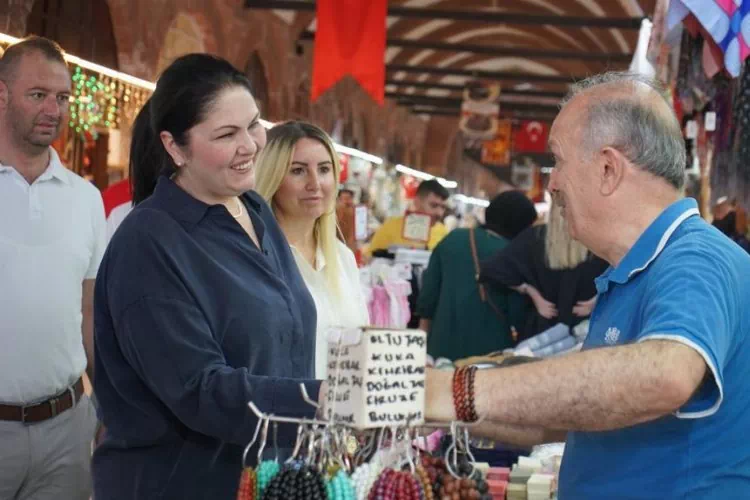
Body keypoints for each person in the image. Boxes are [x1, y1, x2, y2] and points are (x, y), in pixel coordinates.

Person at [425, 72, 750, 498]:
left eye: (558, 161)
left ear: (608, 169)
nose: (552, 183)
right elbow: (570, 415)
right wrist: (431, 404)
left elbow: (665, 375)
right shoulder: (633, 271)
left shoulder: (694, 259)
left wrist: (457, 392)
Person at [92, 55, 325, 499]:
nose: (250, 145)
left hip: (264, 478)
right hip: (180, 485)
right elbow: (200, 390)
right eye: (226, 134)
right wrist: (322, 402)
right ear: (175, 147)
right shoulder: (148, 243)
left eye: (253, 125)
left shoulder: (255, 210)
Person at [0, 36, 104, 500]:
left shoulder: (86, 199)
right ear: (2, 95)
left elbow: (89, 311)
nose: (53, 109)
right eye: (38, 94)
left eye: (62, 97)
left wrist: (108, 405)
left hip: (66, 428)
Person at [254, 121, 369, 378]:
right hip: (285, 403)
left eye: (324, 169)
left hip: (340, 404)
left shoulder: (342, 258)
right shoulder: (255, 258)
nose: (315, 183)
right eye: (298, 171)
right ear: (272, 177)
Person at [416, 191, 537, 361]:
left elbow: (428, 298)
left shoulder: (452, 239)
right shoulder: (514, 255)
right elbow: (518, 314)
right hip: (490, 353)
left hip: (441, 347)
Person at [480, 198, 608, 340]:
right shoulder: (600, 240)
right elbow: (624, 273)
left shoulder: (534, 237)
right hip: (587, 330)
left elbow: (491, 270)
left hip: (542, 332)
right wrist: (597, 300)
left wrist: (531, 292)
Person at [366, 178, 450, 254]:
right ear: (417, 202)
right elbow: (370, 258)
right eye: (433, 205)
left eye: (443, 207)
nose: (439, 213)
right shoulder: (390, 227)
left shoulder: (443, 233)